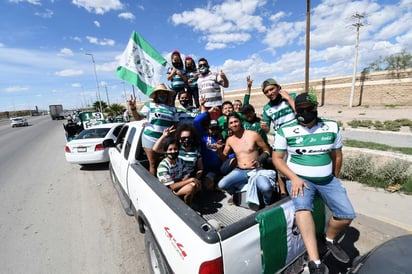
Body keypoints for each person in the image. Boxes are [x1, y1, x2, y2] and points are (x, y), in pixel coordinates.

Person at [272, 93, 356, 274]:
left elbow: (337, 154)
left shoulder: (332, 126)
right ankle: (315, 261)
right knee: (303, 209)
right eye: (301, 109)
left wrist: (334, 177)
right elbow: (277, 159)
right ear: (296, 110)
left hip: (327, 179)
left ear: (316, 108)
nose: (306, 112)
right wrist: (293, 178)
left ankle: (330, 239)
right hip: (300, 179)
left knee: (347, 215)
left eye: (309, 108)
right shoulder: (285, 130)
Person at [217, 112, 276, 208]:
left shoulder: (253, 135)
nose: (234, 124)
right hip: (240, 171)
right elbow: (224, 158)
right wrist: (219, 150)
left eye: (236, 121)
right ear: (228, 125)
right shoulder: (230, 140)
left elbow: (266, 149)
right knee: (222, 185)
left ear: (240, 122)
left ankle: (267, 203)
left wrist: (260, 159)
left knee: (266, 188)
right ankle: (239, 193)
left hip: (255, 170)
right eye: (231, 123)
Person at [129, 83, 178, 176]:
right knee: (153, 163)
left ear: (167, 95)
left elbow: (175, 125)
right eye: (159, 93)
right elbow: (138, 117)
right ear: (156, 95)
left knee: (167, 162)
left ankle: (166, 182)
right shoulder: (150, 105)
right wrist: (133, 108)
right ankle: (154, 186)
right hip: (150, 139)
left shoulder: (173, 109)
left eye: (164, 93)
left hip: (165, 140)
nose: (162, 95)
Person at [157, 137, 201, 205]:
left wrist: (188, 181)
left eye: (175, 149)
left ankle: (186, 201)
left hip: (178, 185)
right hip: (168, 190)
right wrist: (191, 180)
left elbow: (185, 176)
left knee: (195, 185)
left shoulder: (180, 161)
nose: (173, 151)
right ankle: (186, 203)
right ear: (166, 151)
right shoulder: (163, 166)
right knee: (190, 187)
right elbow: (172, 186)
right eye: (170, 149)